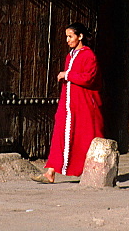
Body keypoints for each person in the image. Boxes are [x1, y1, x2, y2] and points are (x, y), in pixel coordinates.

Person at [33, 22, 104, 183]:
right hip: (68, 105)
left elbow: (89, 78)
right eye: (67, 36)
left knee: (84, 138)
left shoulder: (89, 55)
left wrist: (68, 74)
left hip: (84, 106)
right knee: (60, 135)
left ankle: (92, 171)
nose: (67, 40)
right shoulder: (70, 56)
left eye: (70, 36)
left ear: (80, 37)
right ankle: (50, 171)